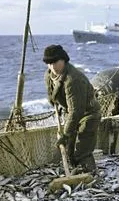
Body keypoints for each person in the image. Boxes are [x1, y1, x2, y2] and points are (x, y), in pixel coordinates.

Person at [43, 44, 101, 173]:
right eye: (49, 63)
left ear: (63, 60)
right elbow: (51, 94)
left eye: (55, 62)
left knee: (81, 151)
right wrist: (55, 105)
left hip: (88, 114)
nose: (52, 67)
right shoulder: (49, 75)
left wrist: (65, 134)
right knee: (69, 151)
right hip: (71, 113)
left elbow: (77, 111)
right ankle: (77, 173)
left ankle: (92, 175)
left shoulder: (73, 79)